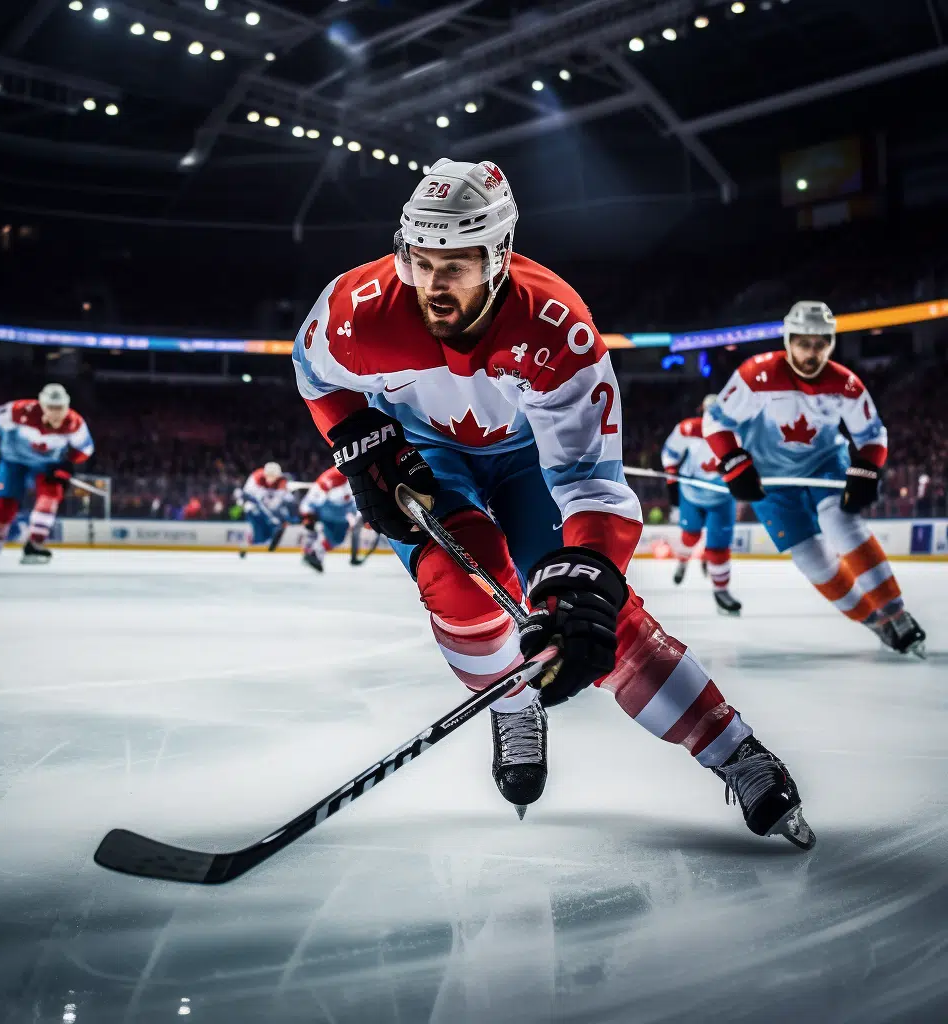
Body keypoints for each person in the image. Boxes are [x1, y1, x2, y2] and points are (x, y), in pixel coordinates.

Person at [292, 158, 814, 848]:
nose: (433, 286)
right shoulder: (360, 309)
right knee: (459, 580)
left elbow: (592, 488)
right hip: (426, 455)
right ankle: (513, 703)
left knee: (595, 614)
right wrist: (359, 436)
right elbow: (312, 369)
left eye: (457, 264)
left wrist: (586, 581)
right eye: (420, 261)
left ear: (501, 255)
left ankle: (733, 747)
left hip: (531, 460)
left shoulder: (559, 330)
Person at [704, 300, 925, 656]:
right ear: (789, 341)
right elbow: (716, 421)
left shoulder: (845, 384)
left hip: (825, 464)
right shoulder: (754, 375)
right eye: (804, 344)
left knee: (841, 523)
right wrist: (733, 462)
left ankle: (898, 614)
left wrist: (867, 469)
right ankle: (875, 621)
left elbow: (872, 434)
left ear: (831, 344)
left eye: (821, 344)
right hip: (771, 480)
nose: (812, 353)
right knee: (811, 558)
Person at [0, 383, 94, 572]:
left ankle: (35, 543)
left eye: (60, 408)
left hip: (46, 466)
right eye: (52, 408)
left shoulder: (74, 423)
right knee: (3, 510)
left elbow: (85, 450)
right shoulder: (18, 411)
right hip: (14, 462)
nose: (56, 414)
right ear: (42, 405)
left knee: (51, 494)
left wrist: (67, 465)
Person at [661, 395, 741, 614]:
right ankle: (683, 561)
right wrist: (672, 483)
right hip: (692, 495)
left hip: (721, 497)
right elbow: (670, 454)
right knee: (690, 537)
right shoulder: (688, 429)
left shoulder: (738, 433)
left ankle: (721, 592)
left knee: (718, 546)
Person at [298, 466, 366, 573]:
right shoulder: (332, 477)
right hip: (332, 510)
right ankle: (313, 551)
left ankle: (314, 553)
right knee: (336, 536)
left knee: (337, 538)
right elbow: (313, 496)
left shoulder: (352, 475)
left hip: (340, 510)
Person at [237, 461, 296, 557]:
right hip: (255, 507)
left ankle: (273, 541)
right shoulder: (256, 478)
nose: (272, 479)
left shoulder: (282, 481)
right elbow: (247, 496)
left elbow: (281, 500)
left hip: (270, 507)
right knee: (257, 528)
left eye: (275, 476)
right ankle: (249, 540)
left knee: (282, 520)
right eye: (270, 476)